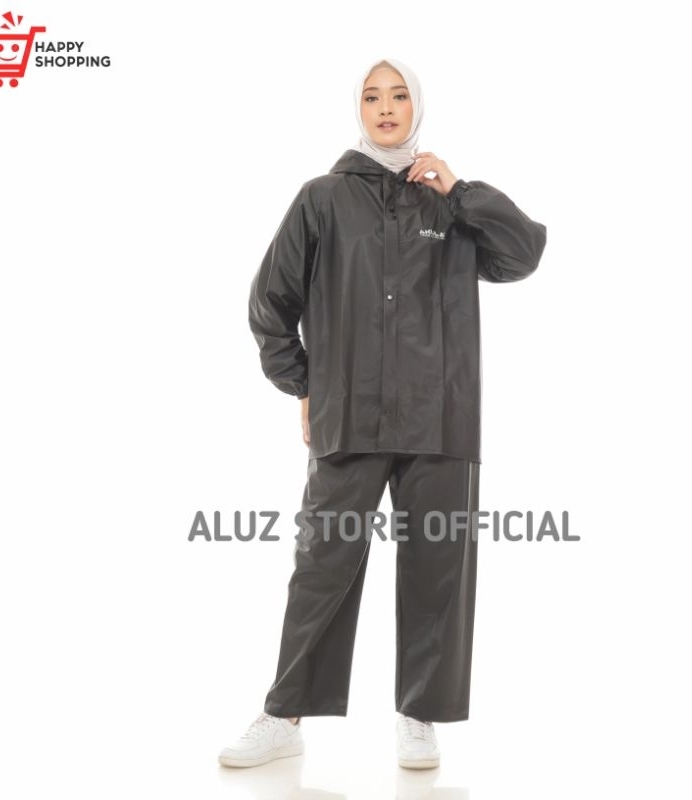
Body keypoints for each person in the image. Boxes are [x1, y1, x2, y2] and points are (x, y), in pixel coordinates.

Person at [219, 57, 547, 771]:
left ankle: (419, 715)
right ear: (359, 109)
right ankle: (285, 713)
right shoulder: (322, 198)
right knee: (322, 564)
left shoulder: (449, 205)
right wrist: (303, 384)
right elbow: (269, 302)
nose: (387, 106)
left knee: (437, 569)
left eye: (399, 95)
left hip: (441, 416)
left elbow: (523, 254)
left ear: (416, 107)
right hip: (350, 416)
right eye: (373, 96)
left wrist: (461, 190)